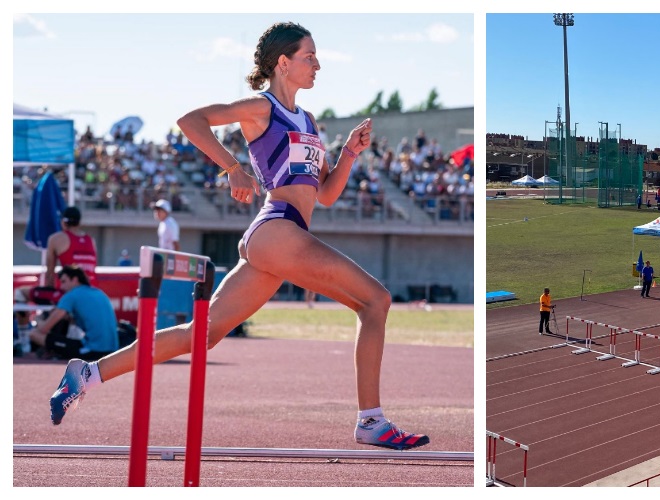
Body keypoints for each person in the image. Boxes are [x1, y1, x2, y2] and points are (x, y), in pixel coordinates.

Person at [49, 22, 428, 451]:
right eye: (310, 56)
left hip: (281, 236)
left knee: (202, 334)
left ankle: (88, 373)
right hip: (277, 228)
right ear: (283, 63)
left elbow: (324, 195)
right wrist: (232, 167)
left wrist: (348, 155)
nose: (318, 64)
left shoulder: (308, 120)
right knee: (375, 301)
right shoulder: (260, 108)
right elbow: (190, 121)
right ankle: (371, 420)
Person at [30, 265, 118, 361]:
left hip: (92, 351)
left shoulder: (71, 296)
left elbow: (44, 329)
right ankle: (53, 351)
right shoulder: (98, 292)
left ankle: (47, 351)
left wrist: (37, 318)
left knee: (34, 334)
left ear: (75, 279)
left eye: (64, 282)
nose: (62, 287)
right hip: (112, 351)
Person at [44, 206, 99, 289]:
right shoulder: (91, 240)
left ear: (63, 222)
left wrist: (48, 295)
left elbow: (50, 274)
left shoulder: (56, 239)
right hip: (91, 291)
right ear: (79, 222)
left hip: (70, 291)